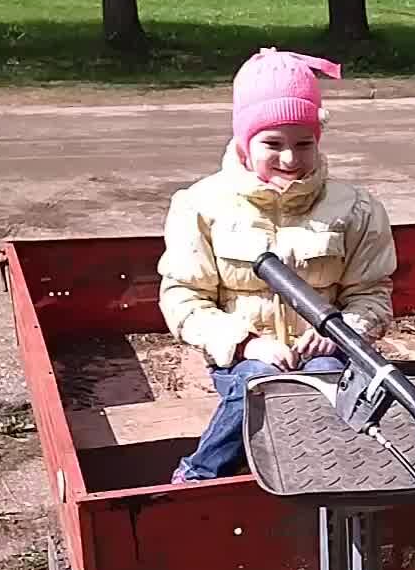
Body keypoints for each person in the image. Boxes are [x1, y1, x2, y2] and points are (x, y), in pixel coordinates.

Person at [158, 48, 395, 483]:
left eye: (303, 143)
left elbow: (372, 291)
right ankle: (198, 477)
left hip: (326, 350)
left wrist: (342, 330)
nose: (290, 159)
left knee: (332, 386)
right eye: (272, 144)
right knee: (261, 386)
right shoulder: (200, 205)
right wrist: (246, 342)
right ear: (245, 144)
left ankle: (341, 481)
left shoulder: (355, 207)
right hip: (245, 356)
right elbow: (185, 297)